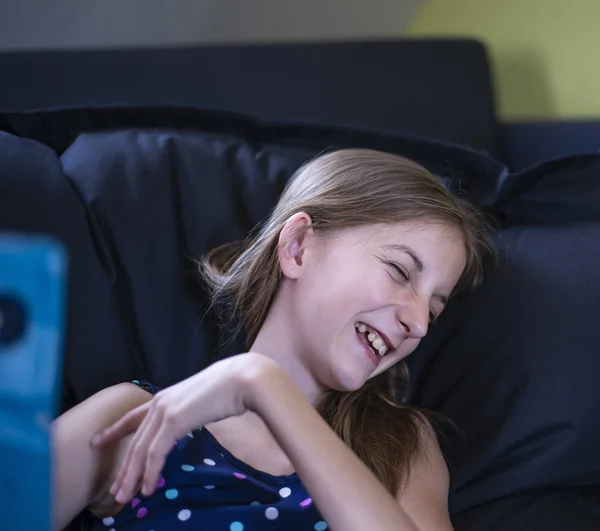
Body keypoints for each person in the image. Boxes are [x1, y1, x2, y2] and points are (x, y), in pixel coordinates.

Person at [52, 149, 488, 531]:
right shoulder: (133, 420)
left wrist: (265, 386)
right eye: (399, 271)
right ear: (298, 247)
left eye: (433, 309)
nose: (418, 323)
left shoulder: (402, 445)